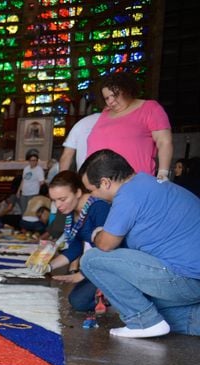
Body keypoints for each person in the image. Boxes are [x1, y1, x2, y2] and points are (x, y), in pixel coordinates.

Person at [78, 149, 200, 338]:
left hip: (185, 279)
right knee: (128, 298)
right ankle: (192, 319)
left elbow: (106, 245)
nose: (92, 196)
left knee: (91, 260)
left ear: (105, 183)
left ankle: (143, 322)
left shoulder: (128, 195)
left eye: (92, 190)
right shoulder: (148, 183)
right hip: (191, 280)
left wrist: (96, 234)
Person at [44, 170, 112, 313]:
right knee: (77, 301)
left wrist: (82, 274)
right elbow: (75, 248)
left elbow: (110, 248)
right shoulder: (71, 213)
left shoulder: (98, 207)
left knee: (80, 301)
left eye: (62, 199)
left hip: (112, 264)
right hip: (96, 265)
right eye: (54, 200)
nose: (58, 205)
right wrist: (48, 266)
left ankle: (121, 295)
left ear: (78, 193)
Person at [86, 72, 173, 178]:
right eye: (107, 98)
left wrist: (163, 174)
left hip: (135, 181)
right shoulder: (106, 113)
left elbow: (164, 142)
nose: (111, 101)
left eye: (115, 95)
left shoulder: (150, 108)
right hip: (100, 183)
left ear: (127, 90)